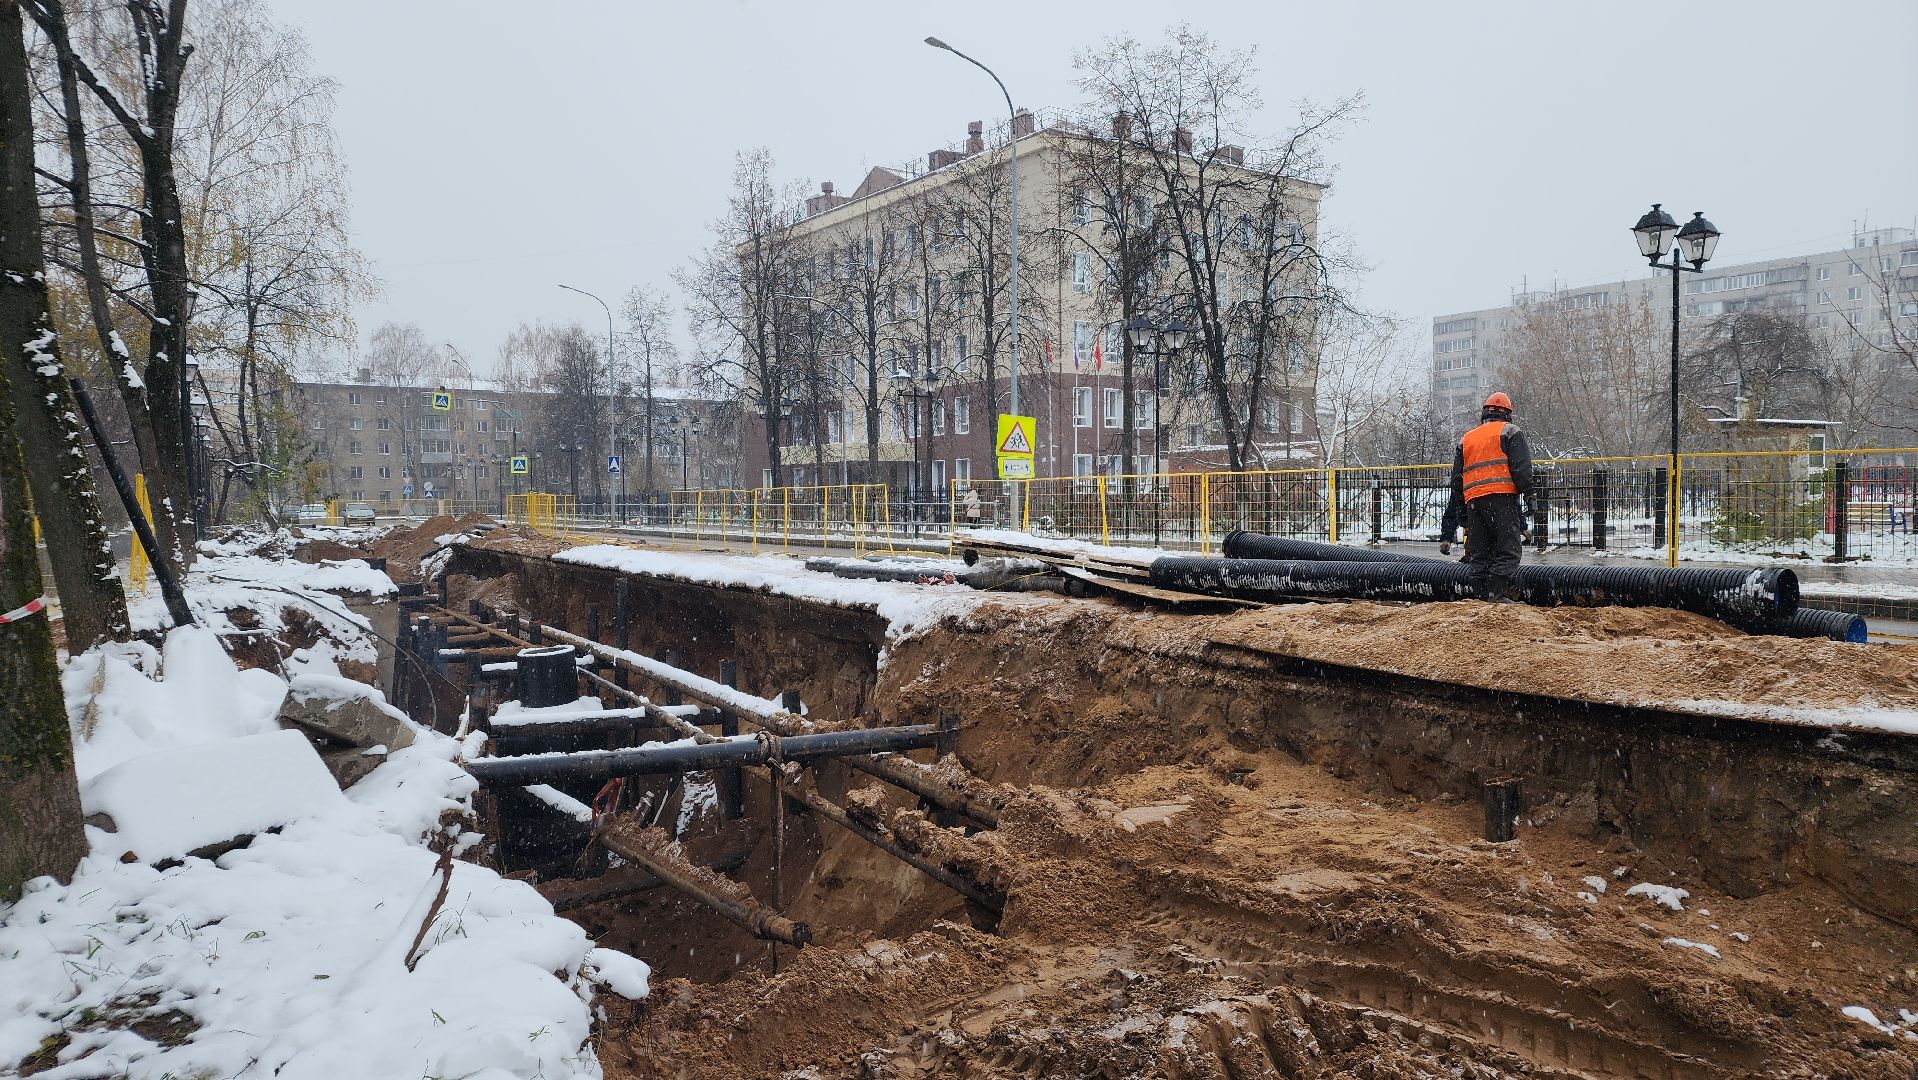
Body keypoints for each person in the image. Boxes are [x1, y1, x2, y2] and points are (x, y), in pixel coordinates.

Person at [1440, 391, 1533, 602]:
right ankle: (1496, 595)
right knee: (1508, 550)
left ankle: (1482, 597)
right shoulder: (1510, 432)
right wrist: (1530, 495)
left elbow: (1457, 479)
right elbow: (1521, 470)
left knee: (1479, 554)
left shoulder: (1467, 438)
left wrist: (1462, 509)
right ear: (1507, 414)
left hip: (1474, 502)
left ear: (1484, 414)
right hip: (1501, 499)